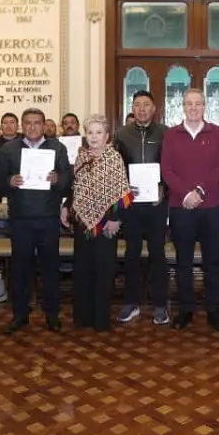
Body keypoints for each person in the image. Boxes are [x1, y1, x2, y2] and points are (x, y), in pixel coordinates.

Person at [0, 108, 73, 333]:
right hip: (20, 218)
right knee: (20, 269)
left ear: (44, 125)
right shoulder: (8, 149)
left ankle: (52, 314)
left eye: (37, 122)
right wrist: (9, 181)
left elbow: (68, 179)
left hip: (48, 218)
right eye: (28, 123)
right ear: (22, 125)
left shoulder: (57, 148)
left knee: (50, 269)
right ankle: (20, 314)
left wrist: (58, 179)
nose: (32, 127)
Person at [161, 89, 219, 331]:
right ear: (182, 106)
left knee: (213, 262)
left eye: (198, 104)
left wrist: (199, 191)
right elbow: (167, 170)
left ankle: (213, 310)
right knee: (184, 262)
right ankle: (186, 309)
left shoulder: (217, 133)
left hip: (211, 206)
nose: (193, 108)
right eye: (189, 104)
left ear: (204, 107)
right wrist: (185, 194)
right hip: (181, 207)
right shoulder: (171, 134)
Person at [65, 114, 131, 332]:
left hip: (106, 224)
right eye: (90, 132)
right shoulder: (81, 157)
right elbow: (75, 188)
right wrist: (67, 206)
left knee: (103, 272)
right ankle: (83, 317)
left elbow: (122, 192)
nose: (94, 137)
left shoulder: (114, 158)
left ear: (107, 136)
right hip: (82, 223)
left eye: (98, 133)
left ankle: (101, 319)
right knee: (83, 270)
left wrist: (114, 219)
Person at [113, 90, 169, 325]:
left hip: (157, 202)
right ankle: (131, 302)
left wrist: (164, 188)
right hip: (131, 203)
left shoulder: (166, 133)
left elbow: (172, 166)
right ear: (132, 108)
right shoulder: (121, 134)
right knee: (132, 253)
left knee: (158, 253)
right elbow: (116, 168)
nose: (142, 109)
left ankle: (160, 305)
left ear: (154, 108)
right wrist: (125, 188)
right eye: (137, 105)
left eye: (147, 104)